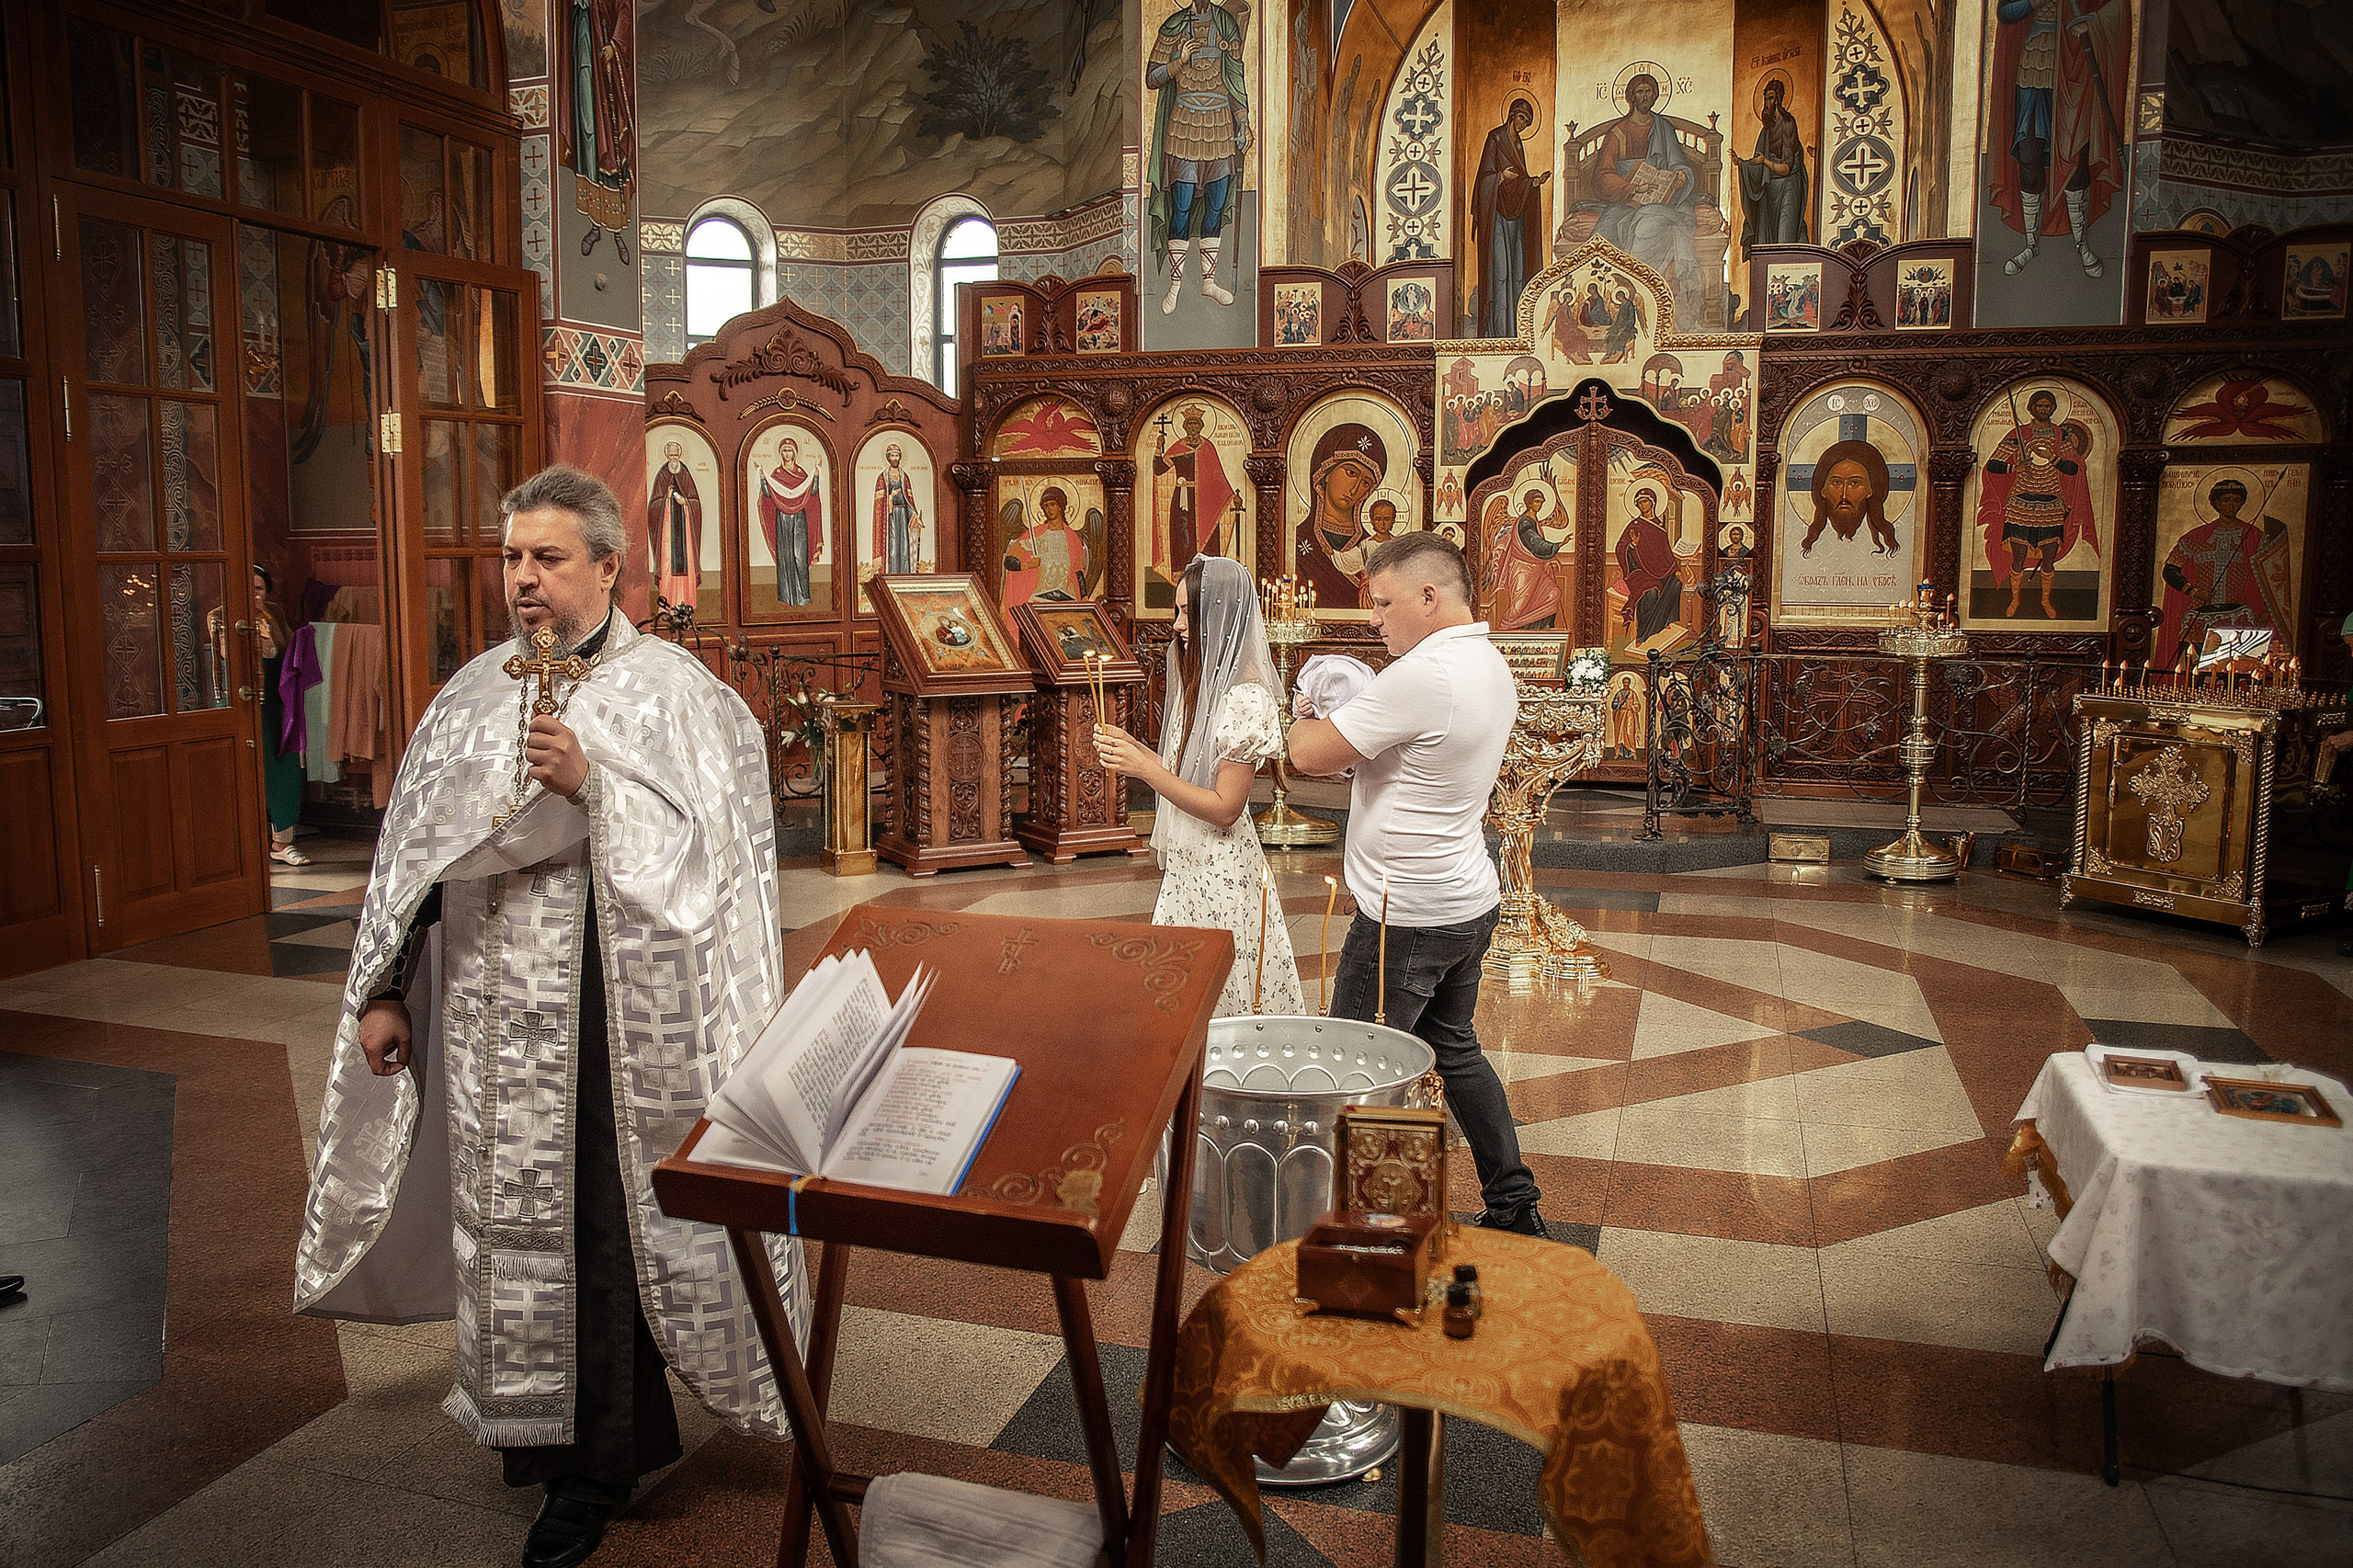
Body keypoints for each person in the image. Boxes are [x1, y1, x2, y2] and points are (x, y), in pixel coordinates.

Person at [295, 466, 805, 1568]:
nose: (523, 580)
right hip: (492, 1015)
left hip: (617, 1019)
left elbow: (716, 871)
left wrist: (595, 789)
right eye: (512, 558)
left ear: (609, 567)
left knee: (606, 1227)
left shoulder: (676, 696)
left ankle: (594, 1467)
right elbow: (417, 852)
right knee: (511, 1223)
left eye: (548, 559)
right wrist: (386, 985)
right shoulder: (473, 692)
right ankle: (538, 1435)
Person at [1284, 533, 1545, 1236]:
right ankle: (1515, 1208)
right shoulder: (1487, 662)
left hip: (1407, 913)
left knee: (1360, 1066)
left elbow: (1306, 755)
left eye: (1383, 602)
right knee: (1454, 1048)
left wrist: (1299, 705)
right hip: (1465, 898)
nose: (1374, 619)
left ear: (1429, 597)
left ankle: (1377, 1233)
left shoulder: (1426, 674)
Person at [1092, 556, 1304, 1018]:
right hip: (1189, 869)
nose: (1177, 625)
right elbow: (1183, 776)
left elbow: (1226, 807)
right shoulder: (1201, 682)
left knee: (1212, 1004)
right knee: (1177, 1003)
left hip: (1222, 873)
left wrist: (1147, 771)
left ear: (1221, 615)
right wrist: (1136, 752)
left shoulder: (1244, 695)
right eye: (1177, 612)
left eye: (1189, 612)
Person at [1146, 0, 1252, 312]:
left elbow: (1235, 78)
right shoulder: (1173, 26)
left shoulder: (1226, 23)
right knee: (1181, 205)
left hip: (1220, 124)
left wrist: (1243, 121)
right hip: (1183, 124)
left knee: (1216, 205)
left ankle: (1209, 281)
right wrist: (1179, 61)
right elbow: (1153, 78)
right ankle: (1175, 285)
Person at [1473, 96, 1552, 337]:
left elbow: (1521, 180)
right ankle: (1497, 332)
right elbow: (1483, 179)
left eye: (1527, 122)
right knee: (1501, 272)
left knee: (1517, 273)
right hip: (1497, 214)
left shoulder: (1518, 145)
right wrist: (1499, 178)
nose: (1523, 125)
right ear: (1511, 115)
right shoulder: (1496, 139)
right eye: (1521, 118)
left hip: (1516, 217)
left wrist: (1533, 183)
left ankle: (1517, 331)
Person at [1735, 76, 1809, 257]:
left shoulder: (1788, 124)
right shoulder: (1767, 128)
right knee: (1767, 243)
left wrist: (1765, 162)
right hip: (1770, 191)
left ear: (1779, 99)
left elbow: (1786, 168)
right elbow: (1757, 165)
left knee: (1785, 239)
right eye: (1765, 98)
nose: (1767, 103)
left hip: (1788, 189)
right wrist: (1743, 165)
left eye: (1770, 98)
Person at [756, 437, 824, 607]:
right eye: (784, 450)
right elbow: (769, 494)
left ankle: (803, 596)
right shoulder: (776, 474)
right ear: (781, 453)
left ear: (795, 453)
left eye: (790, 450)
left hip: (799, 518)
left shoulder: (801, 474)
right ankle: (786, 597)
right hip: (782, 519)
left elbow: (812, 493)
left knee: (800, 556)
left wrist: (815, 476)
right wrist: (763, 478)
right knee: (785, 556)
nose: (787, 454)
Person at [646, 440, 701, 611]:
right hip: (668, 530)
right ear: (666, 456)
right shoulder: (662, 475)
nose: (673, 459)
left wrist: (684, 501)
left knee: (687, 564)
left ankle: (688, 602)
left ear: (680, 455)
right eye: (670, 456)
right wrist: (667, 498)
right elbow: (653, 505)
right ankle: (667, 603)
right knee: (667, 563)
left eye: (676, 455)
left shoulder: (685, 474)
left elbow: (695, 502)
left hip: (685, 531)